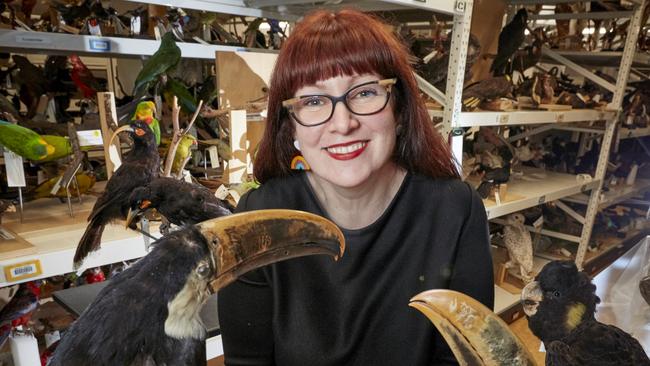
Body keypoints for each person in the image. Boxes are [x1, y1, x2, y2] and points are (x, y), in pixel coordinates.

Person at [218, 8, 493, 366]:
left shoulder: (455, 211)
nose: (343, 123)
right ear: (291, 129)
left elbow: (463, 358)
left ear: (399, 109)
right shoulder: (258, 222)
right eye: (314, 101)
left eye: (364, 93)